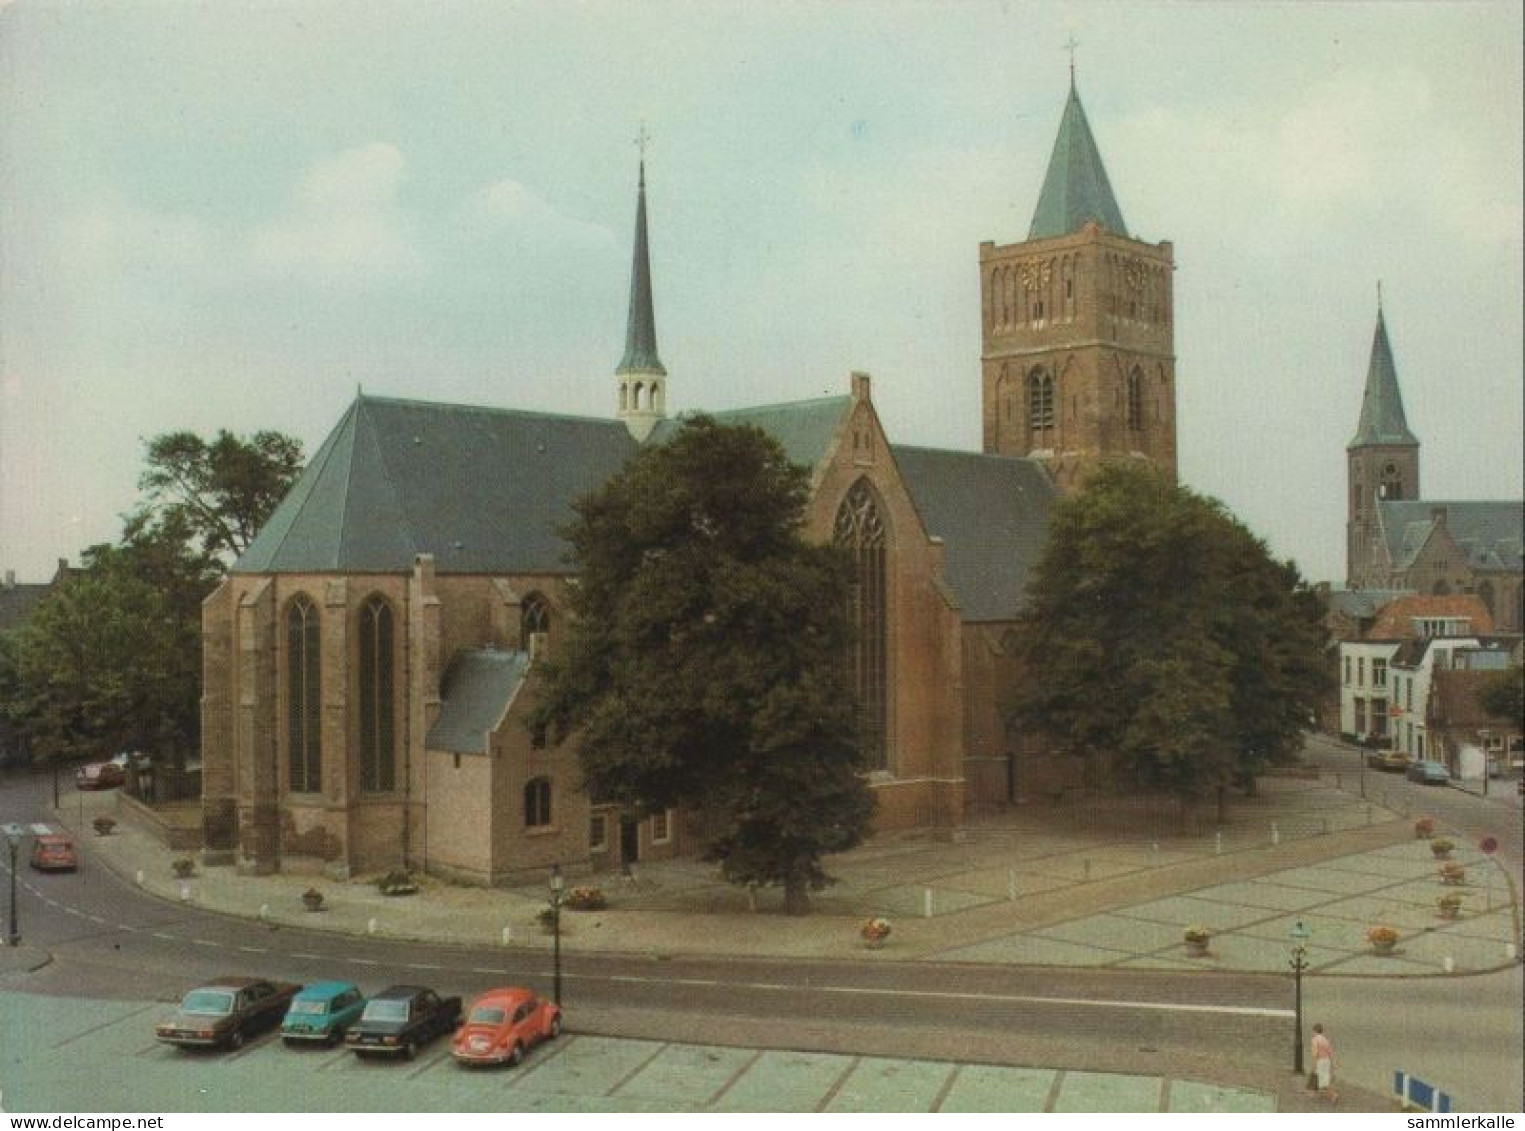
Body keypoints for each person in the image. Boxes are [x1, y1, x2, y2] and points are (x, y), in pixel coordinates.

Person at [1311, 1022, 1338, 1104]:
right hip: (1327, 1061)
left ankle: (1333, 1094)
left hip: (1320, 1061)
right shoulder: (1325, 1039)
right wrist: (1333, 1063)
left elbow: (1315, 1053)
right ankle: (1314, 1093)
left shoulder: (1315, 1039)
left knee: (1323, 1079)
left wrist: (1314, 1062)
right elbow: (1330, 1052)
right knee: (1317, 1076)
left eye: (1313, 1031)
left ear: (1315, 1031)